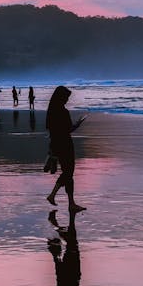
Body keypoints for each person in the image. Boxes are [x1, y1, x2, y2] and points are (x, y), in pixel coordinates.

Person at [46, 85, 86, 213]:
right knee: (68, 173)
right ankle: (54, 196)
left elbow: (52, 130)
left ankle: (70, 203)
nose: (67, 100)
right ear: (61, 97)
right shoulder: (63, 112)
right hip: (65, 145)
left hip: (56, 144)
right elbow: (68, 129)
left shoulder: (51, 111)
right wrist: (78, 124)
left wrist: (52, 149)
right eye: (66, 97)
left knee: (68, 174)